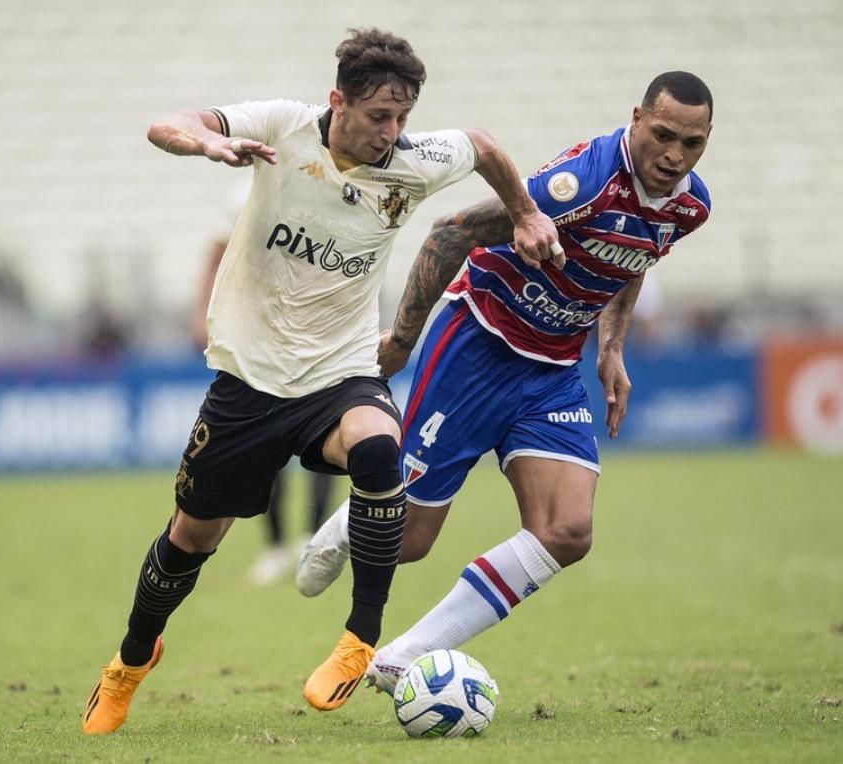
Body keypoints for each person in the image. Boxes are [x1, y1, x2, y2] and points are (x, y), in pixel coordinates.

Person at [81, 27, 560, 735]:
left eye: (402, 118)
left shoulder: (411, 159)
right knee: (191, 537)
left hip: (340, 373)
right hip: (250, 379)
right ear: (338, 101)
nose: (392, 133)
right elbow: (168, 124)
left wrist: (523, 211)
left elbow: (484, 145)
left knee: (377, 452)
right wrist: (205, 144)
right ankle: (129, 660)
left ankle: (359, 637)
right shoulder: (281, 126)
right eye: (378, 118)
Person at [296, 71, 714, 702]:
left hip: (551, 372)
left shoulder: (690, 205)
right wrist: (403, 342)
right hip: (478, 346)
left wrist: (613, 346)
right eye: (662, 135)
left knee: (568, 531)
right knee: (408, 541)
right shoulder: (579, 185)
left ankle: (399, 660)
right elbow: (448, 233)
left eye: (693, 143)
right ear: (635, 118)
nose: (674, 156)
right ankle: (350, 523)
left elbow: (634, 257)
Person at [192, 179, 338, 586]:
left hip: (314, 346)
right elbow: (216, 253)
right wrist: (201, 315)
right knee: (266, 450)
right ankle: (276, 547)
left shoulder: (316, 196)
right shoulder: (243, 196)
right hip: (260, 349)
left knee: (323, 445)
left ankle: (315, 540)